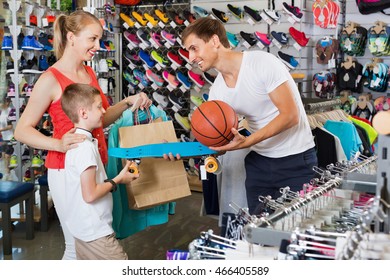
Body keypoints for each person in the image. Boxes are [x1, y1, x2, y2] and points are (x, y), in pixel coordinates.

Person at [14, 10, 151, 260]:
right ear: (71, 37)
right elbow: (21, 130)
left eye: (99, 40)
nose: (98, 46)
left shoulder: (89, 74)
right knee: (76, 244)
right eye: (93, 39)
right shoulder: (50, 79)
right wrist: (57, 143)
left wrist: (126, 103)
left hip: (94, 161)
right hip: (65, 169)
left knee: (85, 242)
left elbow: (99, 120)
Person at [181, 18, 317, 215]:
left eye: (194, 48)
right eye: (188, 51)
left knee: (297, 236)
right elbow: (219, 143)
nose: (191, 57)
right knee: (259, 235)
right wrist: (181, 151)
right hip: (259, 164)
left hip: (296, 161)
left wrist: (247, 142)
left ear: (214, 41)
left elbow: (290, 116)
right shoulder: (218, 90)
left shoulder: (262, 63)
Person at [61, 83, 139, 260]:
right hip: (95, 231)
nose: (104, 111)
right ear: (83, 113)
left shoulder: (76, 142)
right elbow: (90, 194)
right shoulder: (84, 148)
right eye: (99, 107)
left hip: (82, 229)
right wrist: (118, 179)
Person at [0, 96, 14, 178]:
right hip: (4, 137)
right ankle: (7, 173)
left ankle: (8, 173)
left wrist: (1, 130)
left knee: (7, 156)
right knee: (4, 155)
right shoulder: (2, 112)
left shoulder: (10, 112)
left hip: (10, 137)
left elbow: (10, 126)